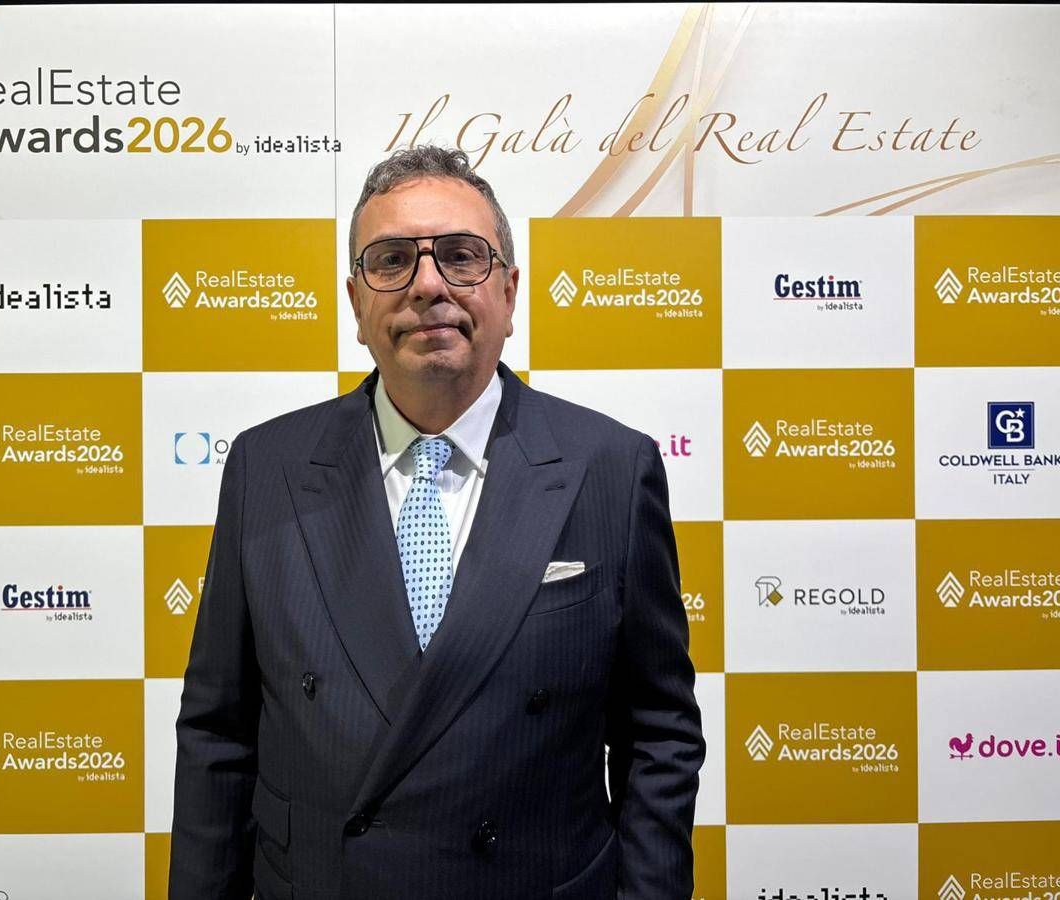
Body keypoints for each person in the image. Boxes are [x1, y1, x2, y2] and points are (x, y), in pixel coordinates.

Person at [169, 146, 704, 900]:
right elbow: (219, 736)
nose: (428, 285)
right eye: (392, 261)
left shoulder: (611, 467)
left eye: (461, 256)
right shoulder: (268, 467)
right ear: (356, 304)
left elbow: (659, 733)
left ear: (509, 293)